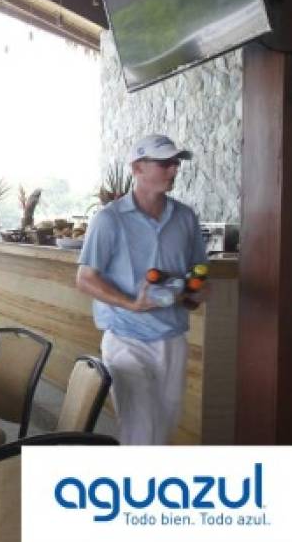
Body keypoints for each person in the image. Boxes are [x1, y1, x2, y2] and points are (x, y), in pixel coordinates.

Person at [76, 135, 208, 445]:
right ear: (137, 167)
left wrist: (194, 293)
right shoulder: (109, 219)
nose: (173, 170)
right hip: (126, 339)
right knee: (141, 434)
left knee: (163, 430)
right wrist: (131, 304)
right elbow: (84, 278)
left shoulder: (185, 217)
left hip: (173, 340)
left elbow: (195, 275)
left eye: (176, 163)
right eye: (164, 163)